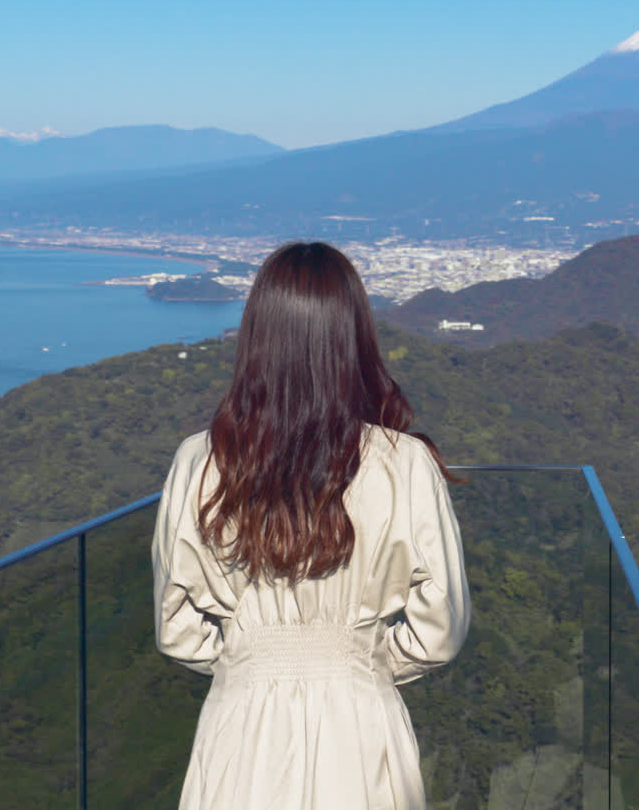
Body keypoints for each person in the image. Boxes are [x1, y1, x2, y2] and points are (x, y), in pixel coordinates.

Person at [152, 241, 470, 809]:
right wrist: (362, 657)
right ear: (351, 337)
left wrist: (247, 656)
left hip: (240, 723)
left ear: (256, 336)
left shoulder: (196, 462)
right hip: (360, 718)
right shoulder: (404, 465)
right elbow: (439, 626)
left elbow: (175, 626)